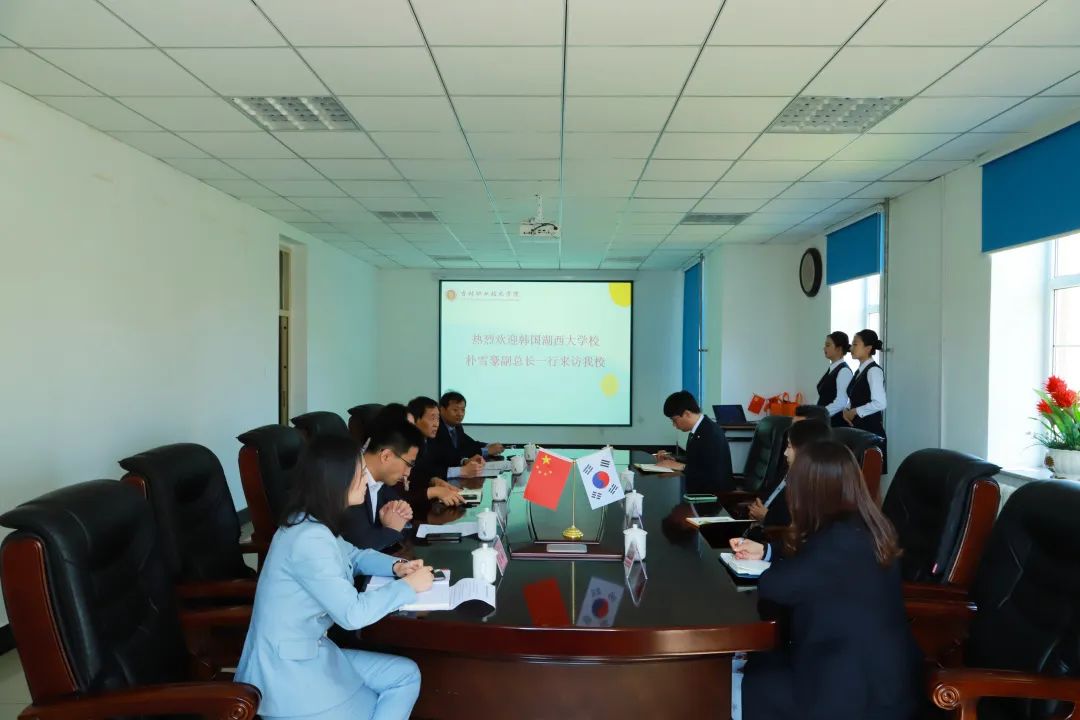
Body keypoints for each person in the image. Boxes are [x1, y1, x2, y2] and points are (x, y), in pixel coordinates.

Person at [235, 433, 433, 720]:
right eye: (360, 474)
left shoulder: (311, 522)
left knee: (405, 674)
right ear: (336, 479)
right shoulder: (309, 538)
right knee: (379, 700)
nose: (366, 480)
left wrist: (397, 567)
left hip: (312, 653)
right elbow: (352, 614)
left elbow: (355, 556)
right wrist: (408, 587)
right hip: (288, 675)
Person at [730, 441, 921, 720]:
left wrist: (773, 561)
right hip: (876, 677)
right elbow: (813, 562)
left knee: (756, 682)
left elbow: (776, 586)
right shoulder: (866, 524)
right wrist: (768, 552)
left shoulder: (839, 540)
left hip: (855, 695)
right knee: (762, 664)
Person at [339, 421, 423, 552]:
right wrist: (392, 530)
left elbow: (401, 517)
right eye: (408, 464)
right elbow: (360, 545)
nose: (407, 473)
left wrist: (402, 511)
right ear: (386, 456)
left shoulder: (381, 483)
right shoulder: (350, 482)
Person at [746, 419, 832, 527]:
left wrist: (765, 517)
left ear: (805, 451)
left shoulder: (810, 487)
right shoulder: (787, 470)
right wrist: (755, 510)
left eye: (789, 447)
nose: (785, 453)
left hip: (771, 534)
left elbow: (795, 525)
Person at [655, 390, 734, 494]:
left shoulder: (710, 432)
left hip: (713, 496)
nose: (674, 425)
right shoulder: (700, 429)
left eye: (674, 420)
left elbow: (710, 473)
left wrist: (679, 466)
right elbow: (697, 461)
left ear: (687, 414)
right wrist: (674, 459)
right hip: (699, 489)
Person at [405, 395, 471, 510]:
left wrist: (433, 481)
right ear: (415, 420)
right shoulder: (406, 447)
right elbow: (408, 484)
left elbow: (425, 471)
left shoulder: (429, 442)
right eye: (432, 418)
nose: (436, 424)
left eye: (438, 419)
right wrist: (433, 489)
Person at [842, 328, 887, 469]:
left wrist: (855, 411)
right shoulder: (859, 371)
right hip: (858, 429)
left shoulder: (873, 371)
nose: (851, 348)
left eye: (855, 344)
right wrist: (846, 409)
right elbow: (855, 396)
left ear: (868, 348)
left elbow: (880, 403)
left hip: (870, 432)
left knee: (868, 475)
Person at [432, 391, 504, 467]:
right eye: (455, 410)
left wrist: (488, 445)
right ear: (442, 409)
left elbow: (469, 443)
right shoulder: (435, 427)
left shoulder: (457, 426)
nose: (460, 414)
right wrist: (486, 451)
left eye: (463, 410)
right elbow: (451, 454)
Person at [816, 331, 854, 428]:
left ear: (839, 349)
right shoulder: (832, 369)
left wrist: (819, 414)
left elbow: (841, 402)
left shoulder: (844, 371)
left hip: (835, 424)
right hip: (826, 421)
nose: (824, 348)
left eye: (828, 345)